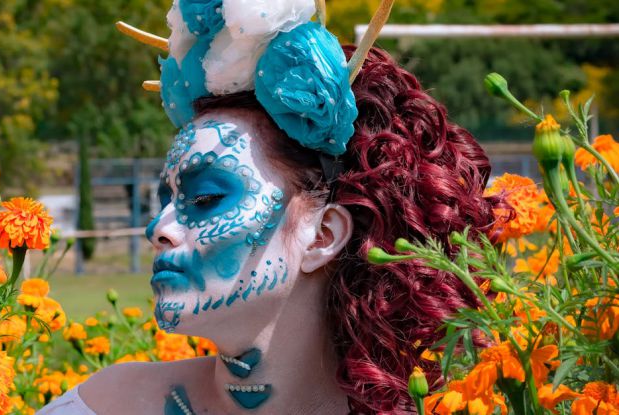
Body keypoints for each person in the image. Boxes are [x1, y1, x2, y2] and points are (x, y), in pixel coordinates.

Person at [39, 1, 501, 413]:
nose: (159, 227)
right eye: (166, 199)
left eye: (204, 199)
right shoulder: (106, 404)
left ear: (322, 235)